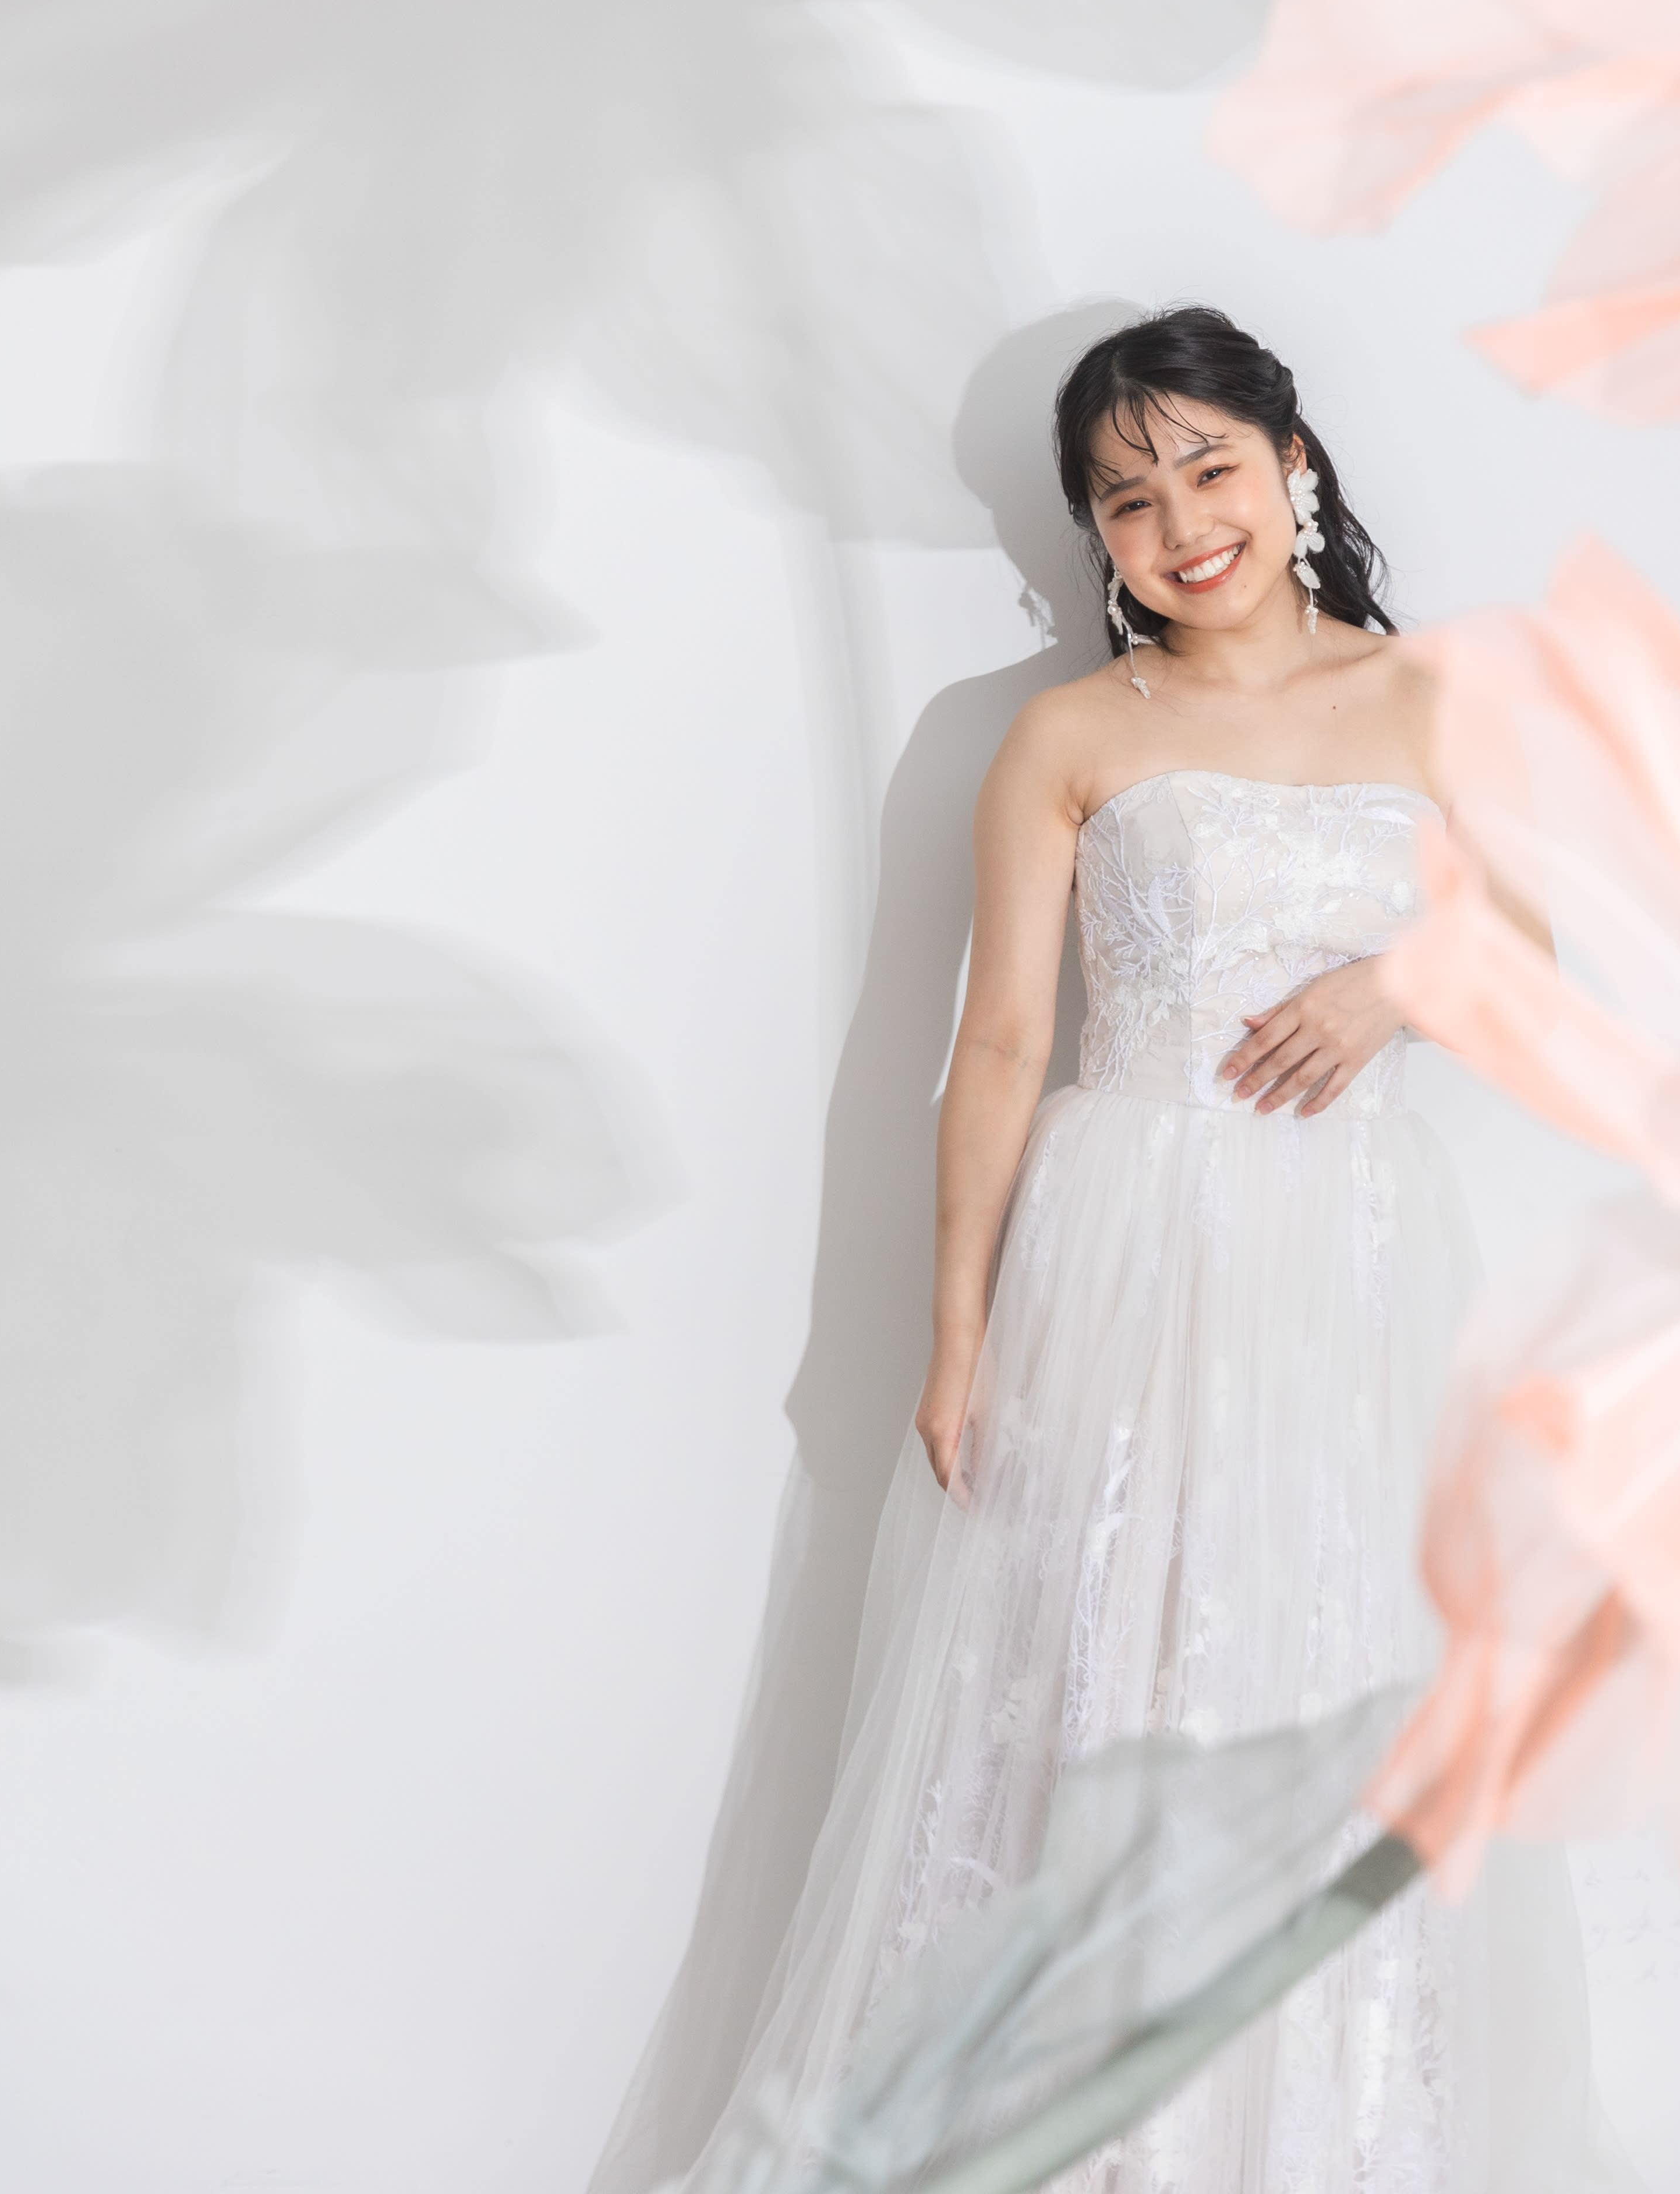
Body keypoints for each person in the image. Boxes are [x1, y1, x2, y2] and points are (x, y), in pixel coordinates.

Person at [607, 305, 1613, 2194]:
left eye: (1210, 469)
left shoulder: (1433, 696)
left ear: (1294, 466)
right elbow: (994, 1046)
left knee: (1324, 1662)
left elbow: (1538, 962)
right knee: (1096, 1675)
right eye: (1127, 499)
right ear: (1096, 536)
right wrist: (956, 1333)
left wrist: (1394, 988)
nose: (1180, 526)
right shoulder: (1070, 734)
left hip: (1350, 1262)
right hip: (1123, 1252)